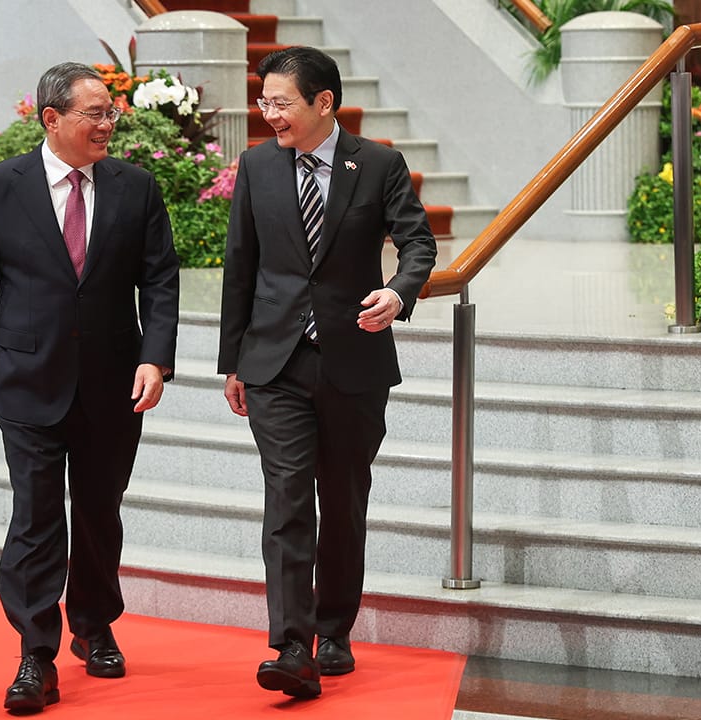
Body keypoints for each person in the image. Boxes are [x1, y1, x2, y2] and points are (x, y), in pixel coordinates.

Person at [0, 62, 179, 714]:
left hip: (114, 381)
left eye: (110, 112)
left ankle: (95, 625)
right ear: (51, 119)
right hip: (27, 379)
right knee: (36, 517)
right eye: (93, 113)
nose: (107, 123)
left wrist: (156, 358)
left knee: (101, 512)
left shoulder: (136, 187)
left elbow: (160, 280)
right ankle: (34, 654)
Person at [217, 46, 437, 700]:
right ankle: (291, 645)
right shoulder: (257, 165)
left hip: (355, 360)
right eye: (264, 102)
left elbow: (418, 241)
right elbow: (240, 266)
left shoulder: (378, 165)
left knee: (341, 501)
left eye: (281, 102)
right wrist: (233, 360)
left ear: (324, 103)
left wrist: (399, 292)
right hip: (275, 362)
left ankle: (335, 628)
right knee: (287, 499)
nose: (269, 114)